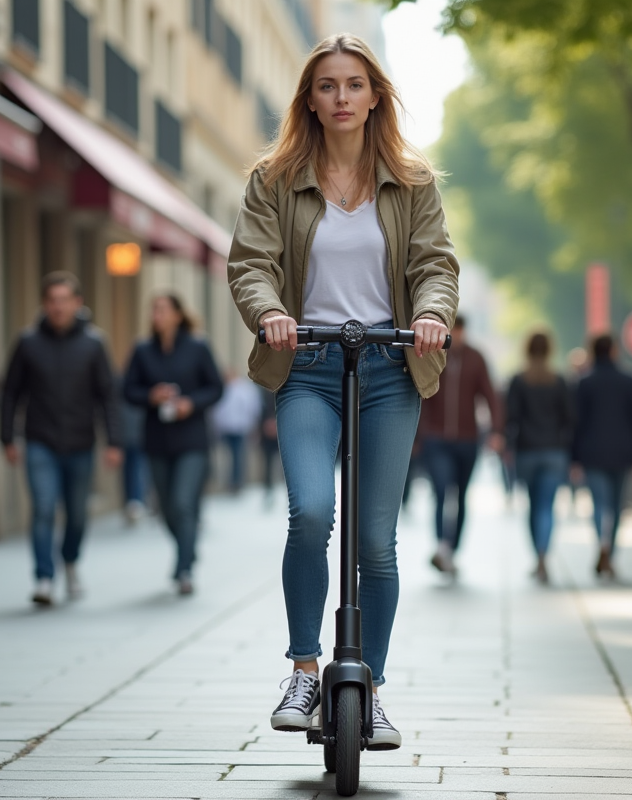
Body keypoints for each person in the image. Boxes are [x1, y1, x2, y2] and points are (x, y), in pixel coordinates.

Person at [227, 33, 458, 750]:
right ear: (310, 99)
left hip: (390, 372)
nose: (341, 98)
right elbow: (251, 262)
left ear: (375, 94)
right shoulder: (274, 178)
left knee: (378, 547)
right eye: (327, 86)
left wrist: (429, 314)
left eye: (354, 84)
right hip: (308, 368)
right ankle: (303, 670)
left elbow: (435, 264)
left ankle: (373, 688)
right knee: (309, 511)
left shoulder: (412, 182)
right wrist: (269, 313)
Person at [0, 272, 123, 606]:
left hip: (81, 443)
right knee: (42, 507)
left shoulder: (94, 344)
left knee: (77, 514)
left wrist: (114, 442)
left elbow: (107, 396)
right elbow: (10, 393)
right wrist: (7, 437)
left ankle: (69, 561)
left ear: (77, 303)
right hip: (40, 441)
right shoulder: (27, 343)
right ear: (44, 304)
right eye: (52, 300)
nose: (58, 307)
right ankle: (43, 576)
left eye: (64, 300)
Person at [123, 293, 223, 597]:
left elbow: (216, 388)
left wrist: (190, 404)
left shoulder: (198, 346)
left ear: (178, 315)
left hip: (192, 439)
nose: (157, 315)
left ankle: (184, 568)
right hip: (156, 440)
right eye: (154, 309)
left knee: (183, 503)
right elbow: (127, 390)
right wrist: (150, 396)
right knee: (166, 510)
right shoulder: (142, 350)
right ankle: (187, 549)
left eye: (163, 309)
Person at [417, 315, 502, 575]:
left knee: (461, 496)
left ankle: (452, 551)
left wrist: (496, 431)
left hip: (467, 439)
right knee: (442, 491)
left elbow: (491, 395)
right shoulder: (433, 356)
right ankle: (442, 546)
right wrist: (418, 435)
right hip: (437, 439)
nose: (457, 335)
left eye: (460, 330)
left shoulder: (476, 358)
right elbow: (422, 394)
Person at [571, 334, 632, 580]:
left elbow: (577, 423)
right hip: (623, 453)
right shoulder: (628, 380)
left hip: (592, 453)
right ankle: (610, 552)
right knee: (616, 506)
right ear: (614, 350)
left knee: (598, 504)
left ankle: (601, 544)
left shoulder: (585, 382)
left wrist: (574, 457)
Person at [504, 331, 575, 584]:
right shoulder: (559, 381)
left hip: (527, 451)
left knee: (533, 506)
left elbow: (510, 418)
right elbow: (569, 419)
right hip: (554, 452)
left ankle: (538, 556)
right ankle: (544, 555)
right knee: (547, 506)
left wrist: (508, 448)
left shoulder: (518, 380)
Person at [211, 369, 263, 494]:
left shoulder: (244, 389)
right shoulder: (223, 387)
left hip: (240, 427)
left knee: (238, 455)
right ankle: (230, 481)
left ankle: (237, 482)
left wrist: (252, 424)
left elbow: (252, 407)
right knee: (228, 456)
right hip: (225, 428)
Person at [119, 375, 150, 525]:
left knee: (136, 469)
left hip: (137, 436)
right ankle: (135, 502)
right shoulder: (126, 388)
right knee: (134, 469)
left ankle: (136, 501)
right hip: (129, 436)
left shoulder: (144, 390)